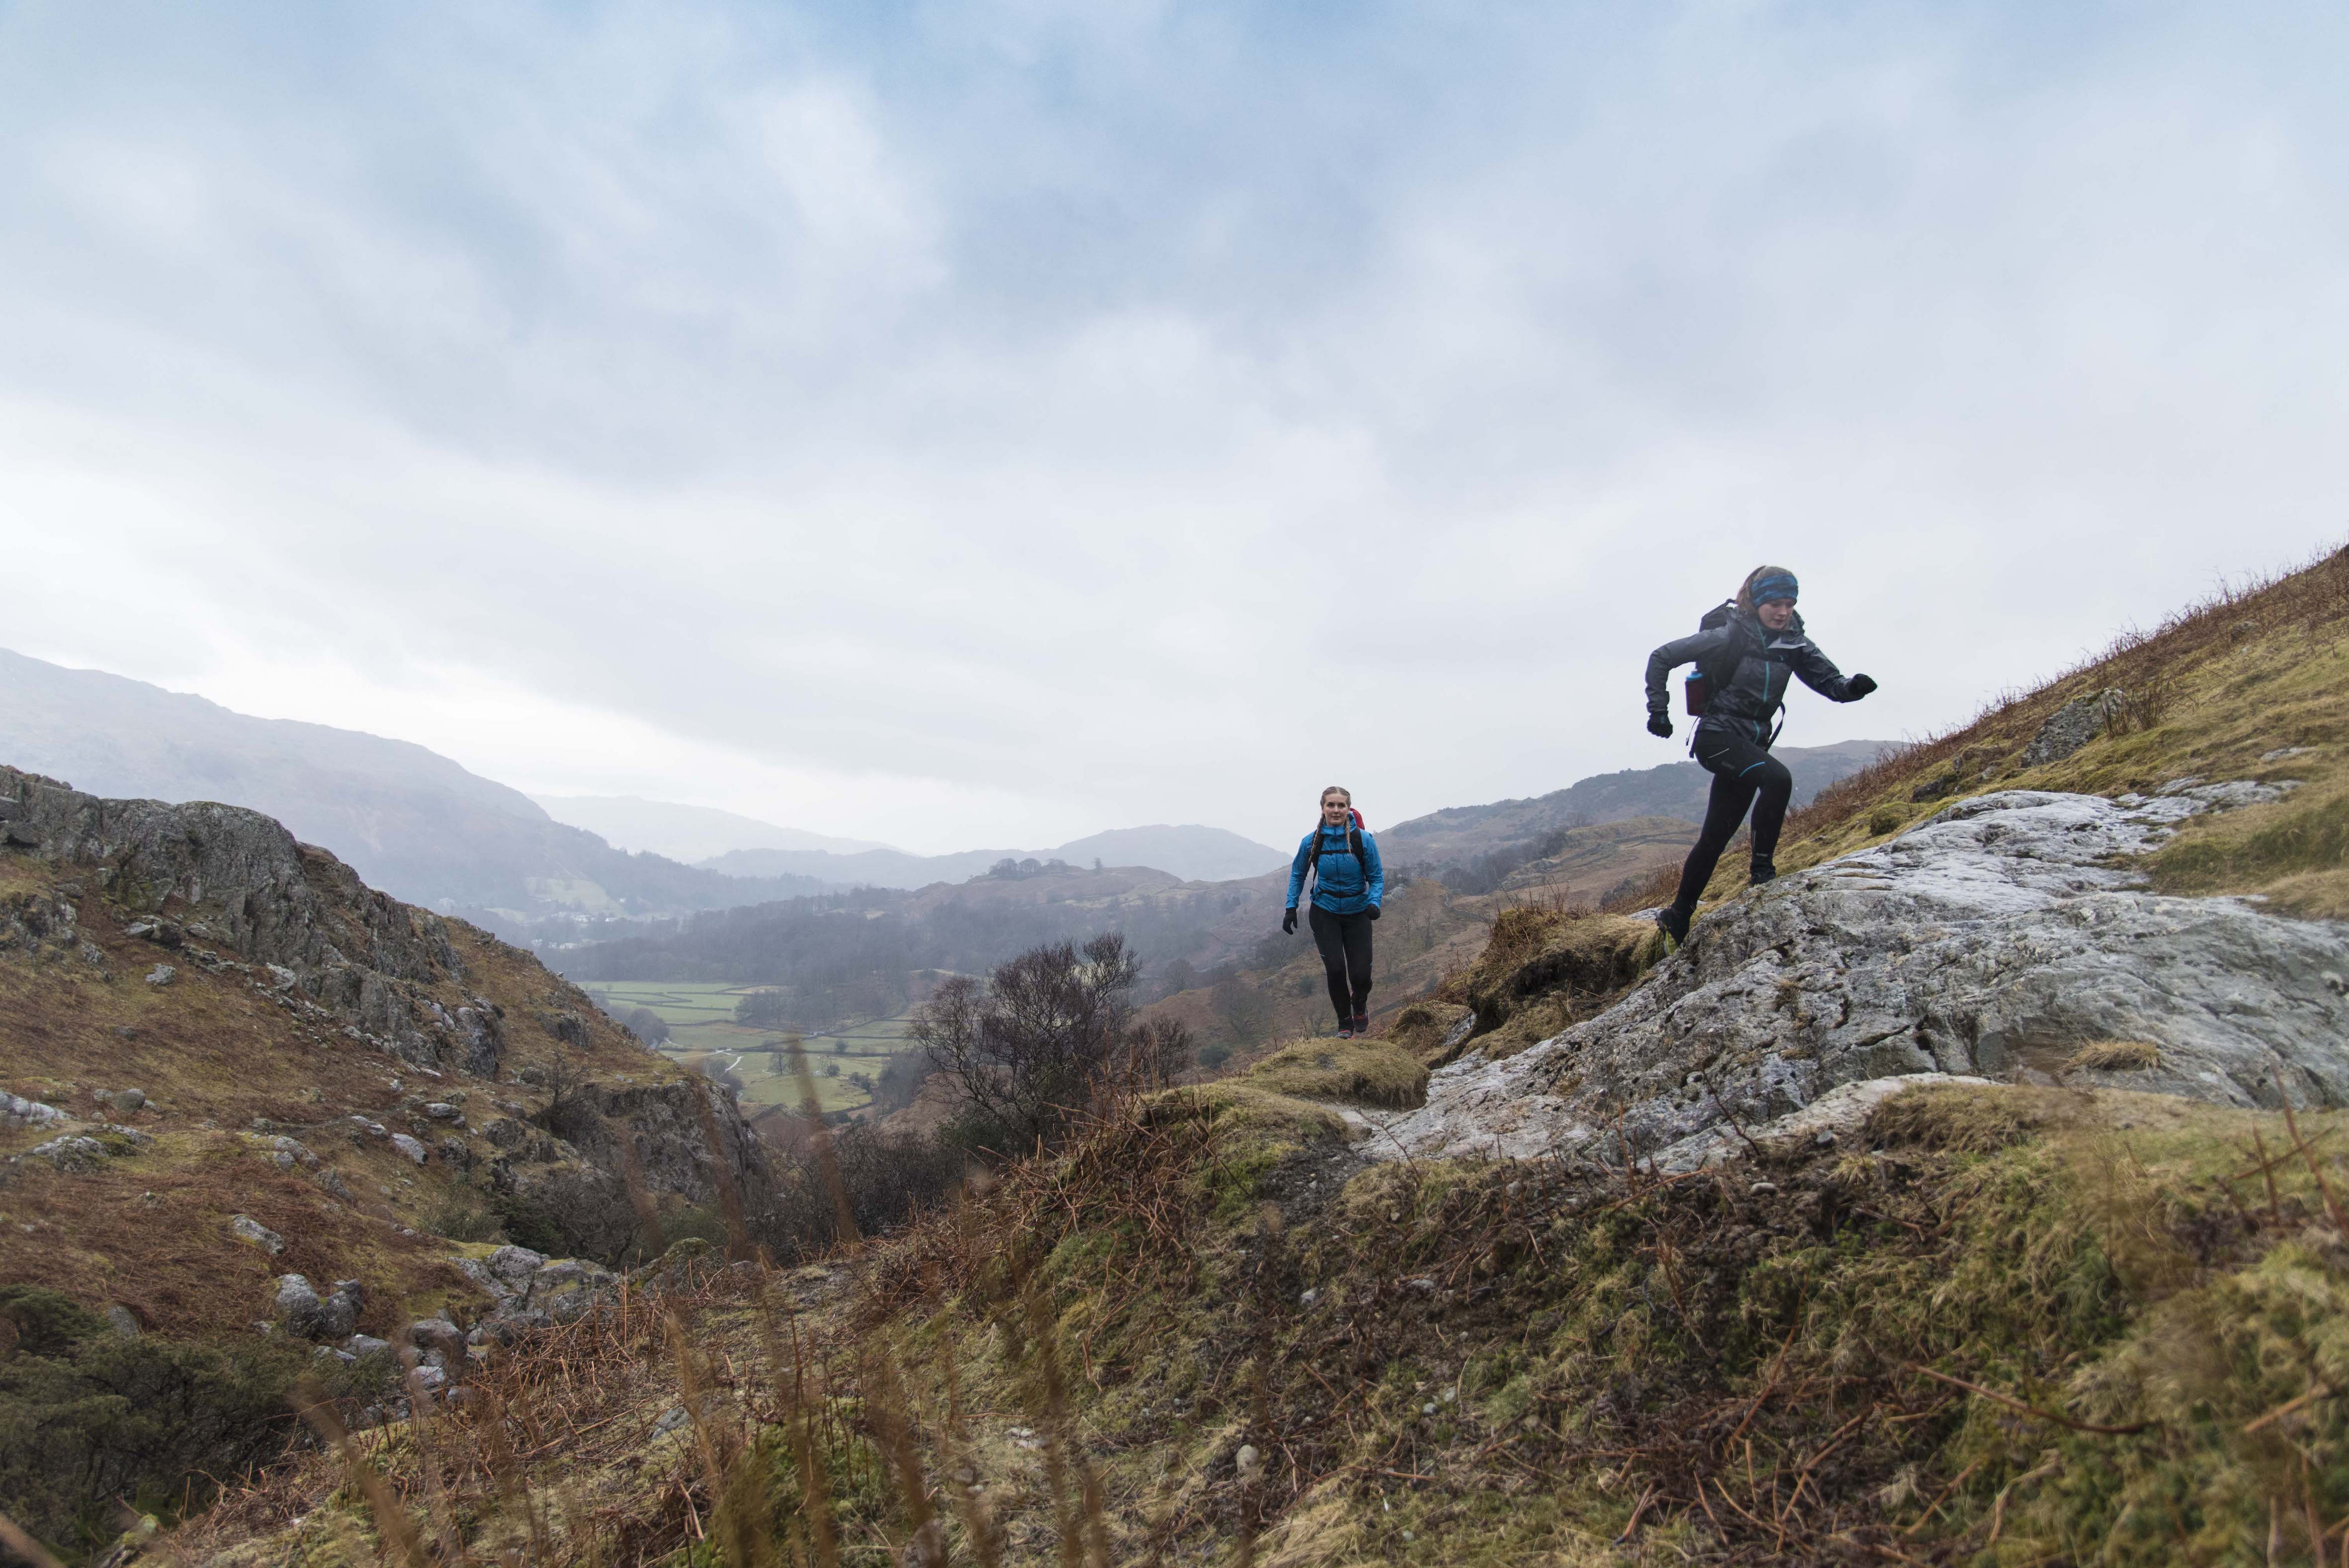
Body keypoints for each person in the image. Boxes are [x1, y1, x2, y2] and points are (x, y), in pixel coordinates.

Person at [1643, 566, 1877, 945]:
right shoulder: (1729, 635)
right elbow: (1662, 656)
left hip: (1752, 743)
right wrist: (1659, 710)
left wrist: (1854, 689)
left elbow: (1830, 684)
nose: (1783, 612)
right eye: (1774, 604)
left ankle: (1678, 915)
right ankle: (1762, 874)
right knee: (1778, 779)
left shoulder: (1796, 643)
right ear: (1756, 602)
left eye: (1790, 604)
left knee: (1715, 836)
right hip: (1717, 736)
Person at [1282, 785, 1384, 1038]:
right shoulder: (1312, 841)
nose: (1336, 810)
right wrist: (1290, 907)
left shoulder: (1364, 839)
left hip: (1358, 912)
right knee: (1336, 969)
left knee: (1361, 975)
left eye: (1341, 806)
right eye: (1331, 805)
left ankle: (1359, 1004)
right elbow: (1298, 874)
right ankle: (1344, 1023)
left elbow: (1377, 877)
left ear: (1349, 809)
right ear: (1323, 808)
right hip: (1325, 911)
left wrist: (1374, 903)